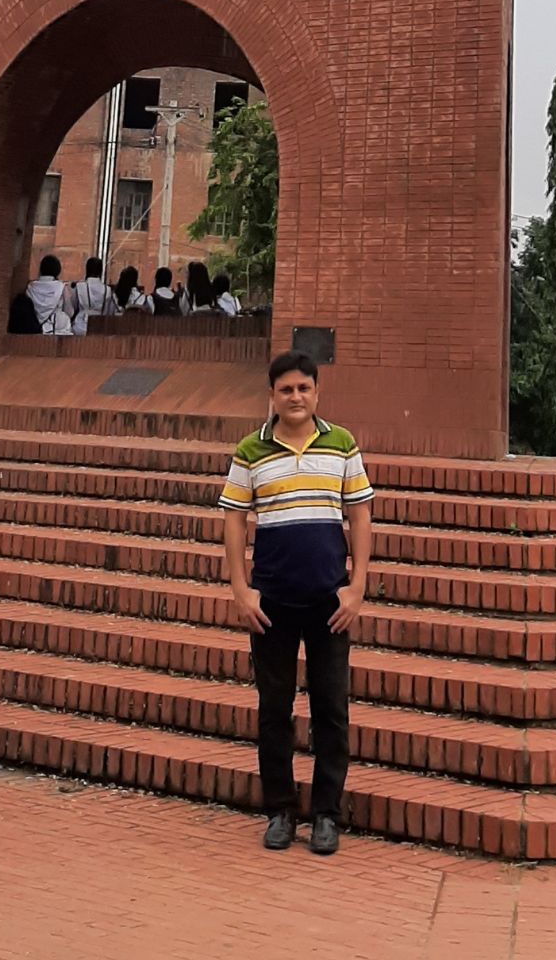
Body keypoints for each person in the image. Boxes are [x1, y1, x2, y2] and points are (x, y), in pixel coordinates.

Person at [219, 351, 374, 856]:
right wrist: (241, 589)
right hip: (272, 603)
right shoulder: (250, 451)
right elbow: (235, 521)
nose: (295, 397)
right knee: (274, 711)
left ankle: (327, 815)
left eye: (303, 388)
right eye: (285, 390)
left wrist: (357, 586)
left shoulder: (342, 444)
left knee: (331, 710)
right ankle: (280, 811)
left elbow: (359, 516)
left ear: (316, 392)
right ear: (272, 395)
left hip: (330, 600)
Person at [24, 255, 73, 336]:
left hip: (35, 327)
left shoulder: (31, 287)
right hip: (57, 327)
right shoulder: (61, 287)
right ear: (58, 270)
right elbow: (70, 312)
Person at [71, 256, 118, 334]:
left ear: (87, 270)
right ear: (100, 271)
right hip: (100, 327)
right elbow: (109, 312)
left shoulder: (79, 286)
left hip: (80, 326)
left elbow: (72, 307)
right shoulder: (107, 290)